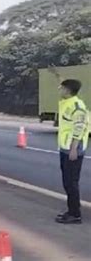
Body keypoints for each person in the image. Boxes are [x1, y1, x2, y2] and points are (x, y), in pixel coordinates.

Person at [55, 79, 89, 224]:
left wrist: (74, 148)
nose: (60, 90)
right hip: (65, 147)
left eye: (62, 88)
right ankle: (72, 210)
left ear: (68, 90)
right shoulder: (67, 102)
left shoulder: (77, 106)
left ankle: (75, 214)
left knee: (71, 182)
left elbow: (79, 128)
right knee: (67, 181)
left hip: (73, 148)